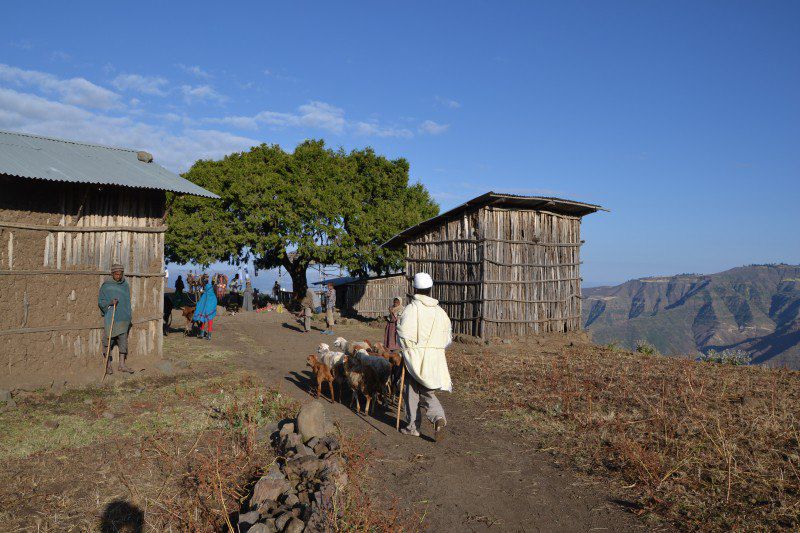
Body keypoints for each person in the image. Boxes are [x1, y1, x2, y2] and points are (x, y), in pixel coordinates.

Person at [397, 272, 452, 441]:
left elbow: (403, 334)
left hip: (414, 358)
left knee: (411, 391)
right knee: (428, 391)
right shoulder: (440, 312)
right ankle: (438, 418)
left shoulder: (411, 309)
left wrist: (408, 352)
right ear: (430, 289)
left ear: (414, 288)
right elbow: (447, 338)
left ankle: (413, 427)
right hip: (434, 359)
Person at [98, 263, 134, 375]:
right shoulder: (106, 286)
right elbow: (101, 301)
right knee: (108, 341)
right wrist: (110, 303)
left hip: (123, 318)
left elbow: (127, 302)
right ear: (112, 274)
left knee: (123, 342)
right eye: (116, 274)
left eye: (120, 274)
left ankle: (122, 365)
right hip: (111, 318)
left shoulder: (125, 285)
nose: (118, 276)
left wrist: (128, 315)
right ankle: (108, 365)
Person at [193, 275, 218, 340]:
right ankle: (209, 335)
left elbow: (200, 287)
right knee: (210, 319)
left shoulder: (206, 288)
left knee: (203, 318)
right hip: (212, 303)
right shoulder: (212, 287)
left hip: (207, 303)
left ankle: (202, 334)